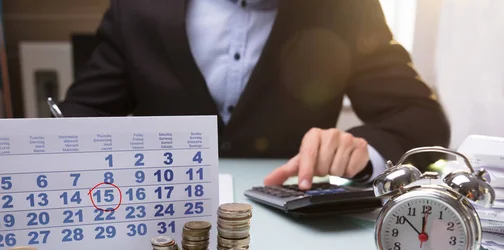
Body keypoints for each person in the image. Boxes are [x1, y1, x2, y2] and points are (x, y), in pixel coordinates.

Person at [61, 0, 450, 189]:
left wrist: (363, 152)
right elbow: (81, 113)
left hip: (299, 234)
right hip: (159, 221)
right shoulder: (137, 8)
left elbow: (421, 118)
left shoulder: (347, 10)